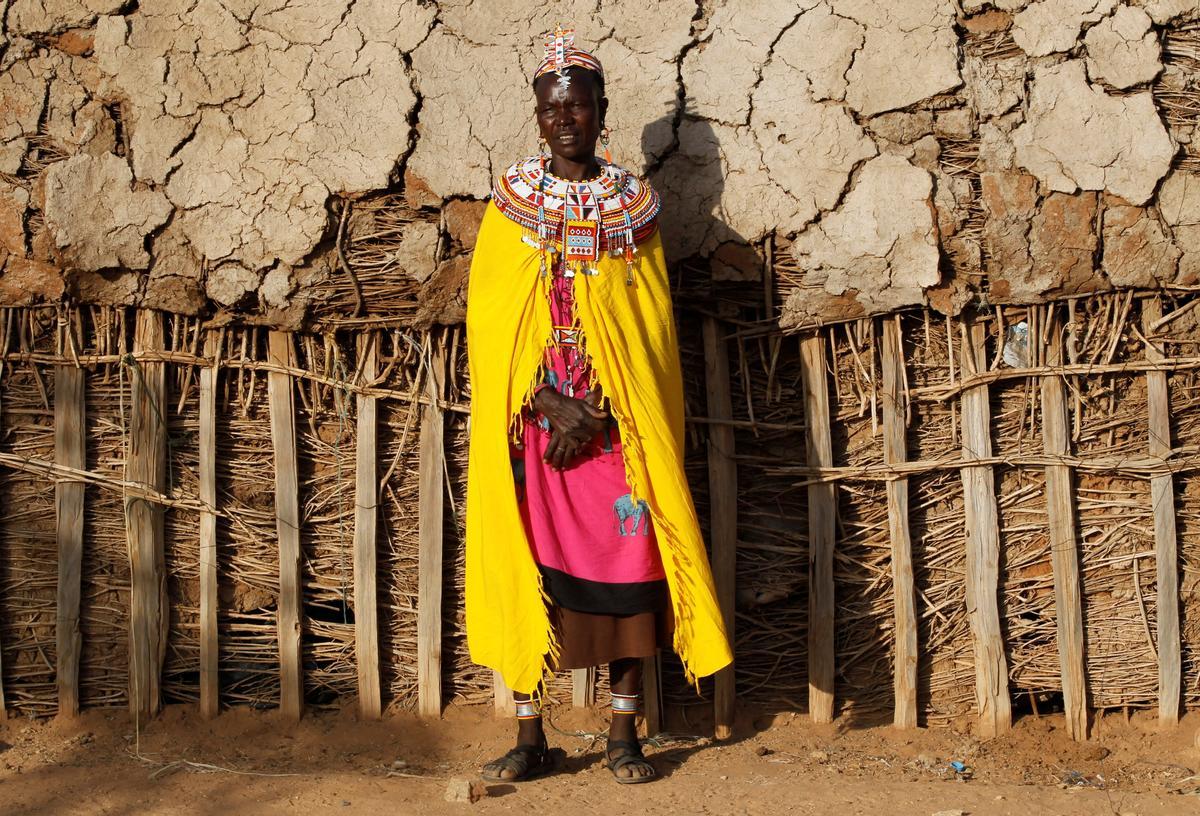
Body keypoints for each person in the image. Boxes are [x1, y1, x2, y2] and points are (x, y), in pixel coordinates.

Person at [464, 26, 731, 786]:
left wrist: (607, 409)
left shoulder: (633, 208)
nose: (565, 120)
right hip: (537, 431)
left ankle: (623, 734)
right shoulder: (511, 205)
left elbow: (647, 332)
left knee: (630, 570)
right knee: (528, 570)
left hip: (614, 436)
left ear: (600, 110)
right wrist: (546, 400)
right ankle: (529, 734)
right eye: (552, 108)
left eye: (578, 107)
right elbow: (491, 328)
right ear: (537, 114)